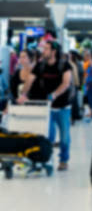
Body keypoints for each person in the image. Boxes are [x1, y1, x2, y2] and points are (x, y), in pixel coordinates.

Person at [19, 41, 73, 171]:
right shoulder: (40, 65)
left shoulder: (64, 65)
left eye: (46, 49)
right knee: (48, 137)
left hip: (63, 107)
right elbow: (30, 80)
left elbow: (66, 83)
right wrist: (23, 94)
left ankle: (63, 160)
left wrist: (54, 94)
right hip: (47, 108)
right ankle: (46, 159)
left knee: (64, 138)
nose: (43, 51)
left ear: (53, 52)